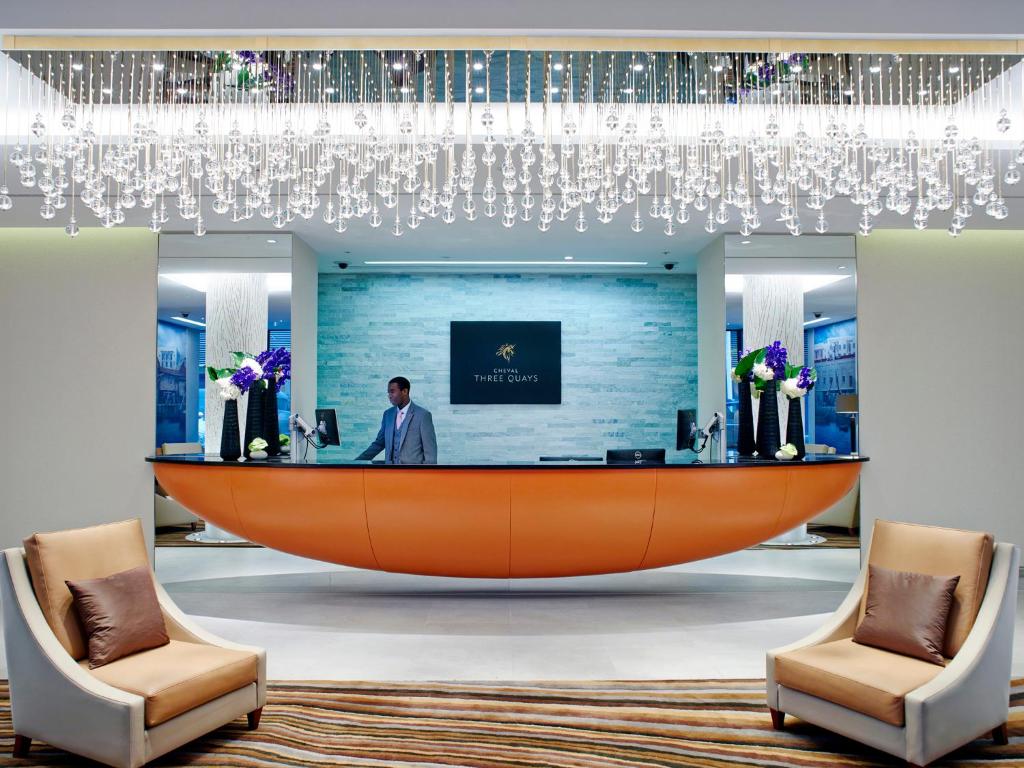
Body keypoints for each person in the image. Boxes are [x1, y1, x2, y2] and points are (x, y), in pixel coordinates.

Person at [356, 376, 437, 464]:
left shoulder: (423, 415)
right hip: (390, 473)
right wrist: (355, 462)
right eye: (388, 393)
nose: (389, 396)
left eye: (392, 392)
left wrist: (428, 475)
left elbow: (430, 452)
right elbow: (379, 444)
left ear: (405, 391)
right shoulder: (388, 414)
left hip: (413, 474)